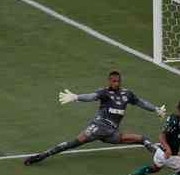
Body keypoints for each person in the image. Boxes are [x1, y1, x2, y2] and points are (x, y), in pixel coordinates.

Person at [24, 71, 166, 166]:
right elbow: (91, 96)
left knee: (142, 139)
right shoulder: (104, 93)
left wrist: (155, 109)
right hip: (98, 128)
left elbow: (141, 102)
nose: (116, 83)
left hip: (112, 133)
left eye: (118, 81)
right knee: (73, 143)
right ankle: (43, 155)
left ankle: (161, 157)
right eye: (114, 81)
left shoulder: (127, 94)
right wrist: (76, 97)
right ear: (110, 81)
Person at [118, 99, 180, 175]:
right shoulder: (176, 122)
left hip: (159, 152)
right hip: (170, 156)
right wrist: (168, 149)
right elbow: (162, 135)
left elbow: (177, 134)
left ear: (178, 108)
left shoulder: (174, 117)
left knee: (154, 168)